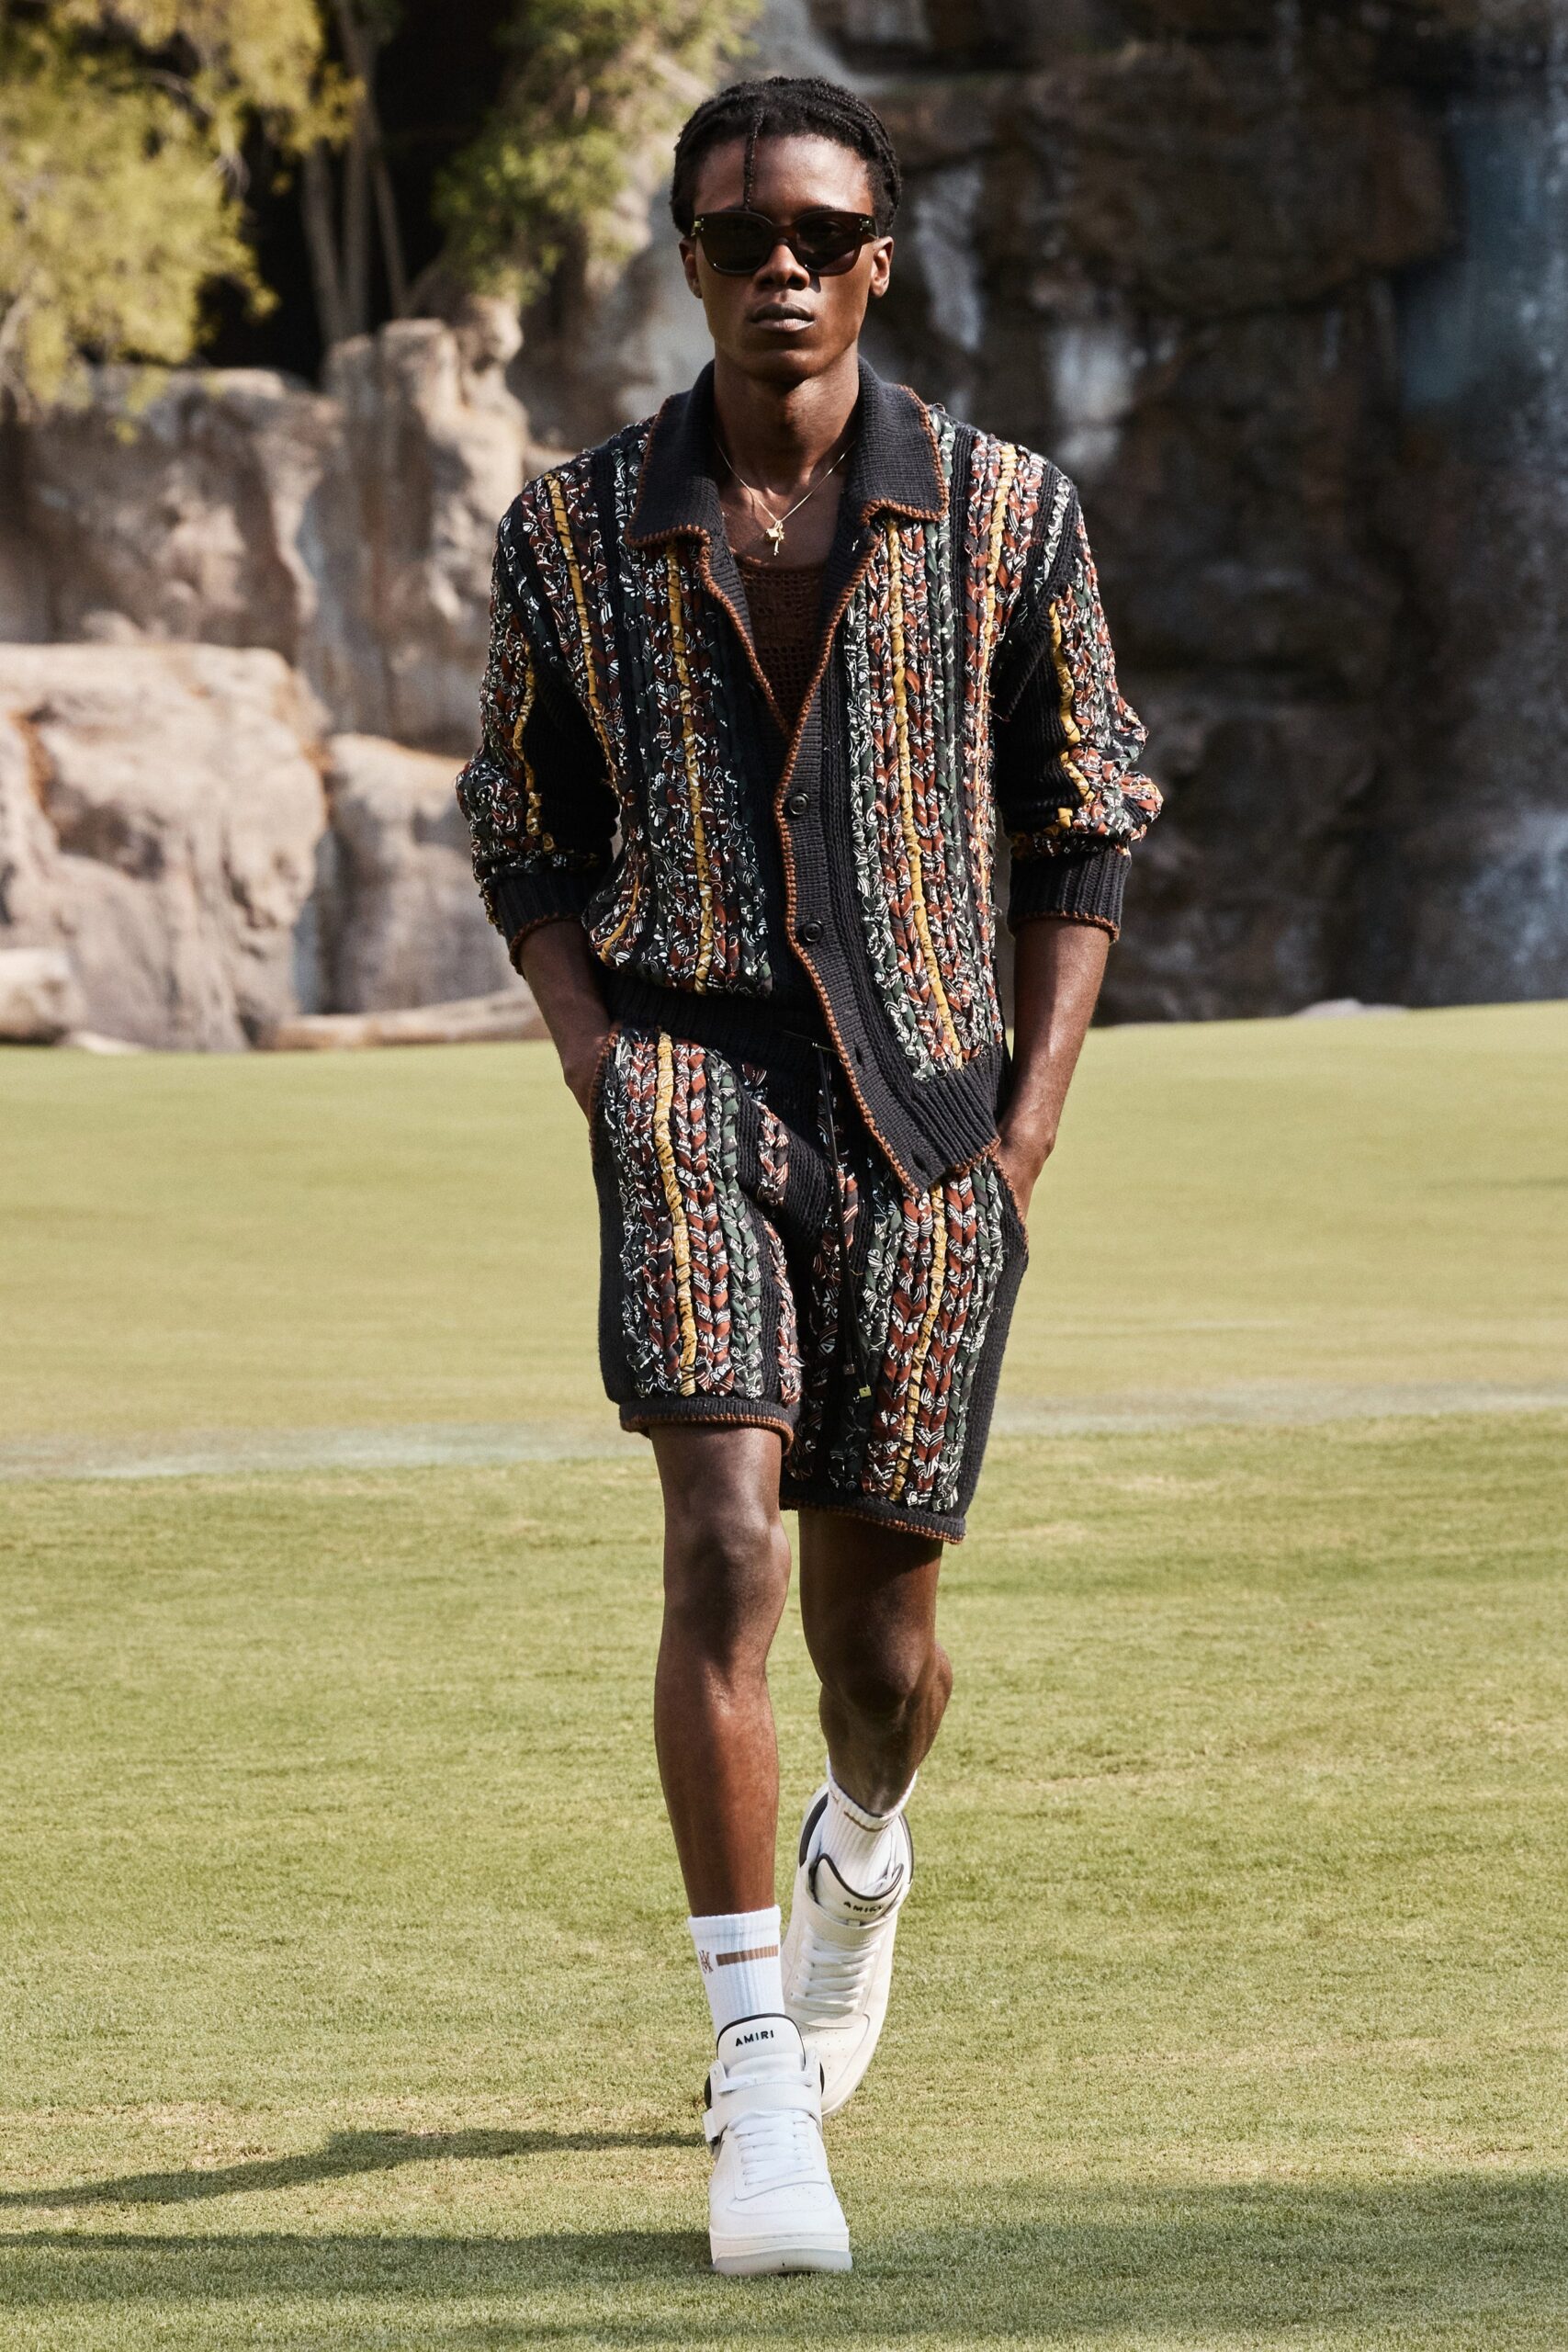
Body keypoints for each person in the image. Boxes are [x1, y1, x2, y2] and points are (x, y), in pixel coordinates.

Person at [456, 72, 1163, 2277]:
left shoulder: (1004, 509)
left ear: (878, 259)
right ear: (684, 256)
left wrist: (1027, 1113)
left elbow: (1087, 810)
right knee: (720, 1548)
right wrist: (596, 1060)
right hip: (681, 1075)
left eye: (815, 232)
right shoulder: (570, 529)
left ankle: (866, 1841)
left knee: (884, 1636)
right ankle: (756, 2076)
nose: (776, 265)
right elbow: (517, 822)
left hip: (935, 1110)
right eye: (734, 230)